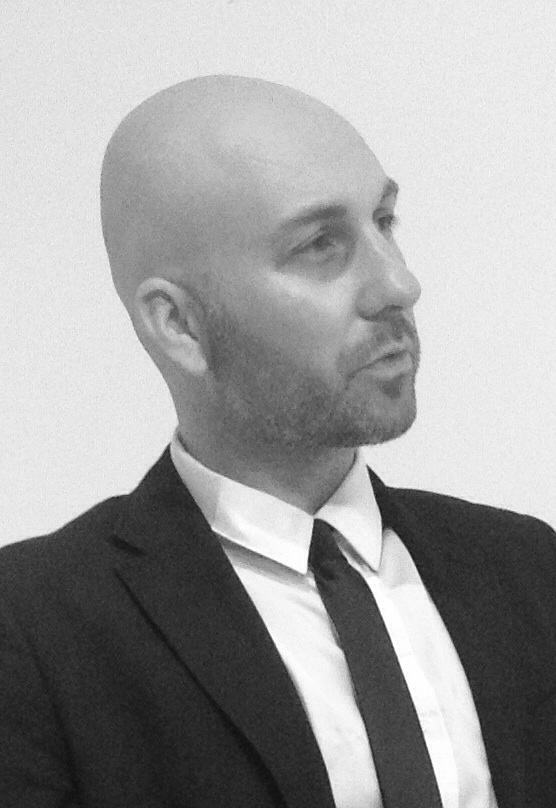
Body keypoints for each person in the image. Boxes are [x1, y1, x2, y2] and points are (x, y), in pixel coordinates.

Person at [1, 75, 555, 808]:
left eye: (385, 220)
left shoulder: (526, 568)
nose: (399, 284)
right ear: (180, 324)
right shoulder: (36, 633)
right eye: (320, 245)